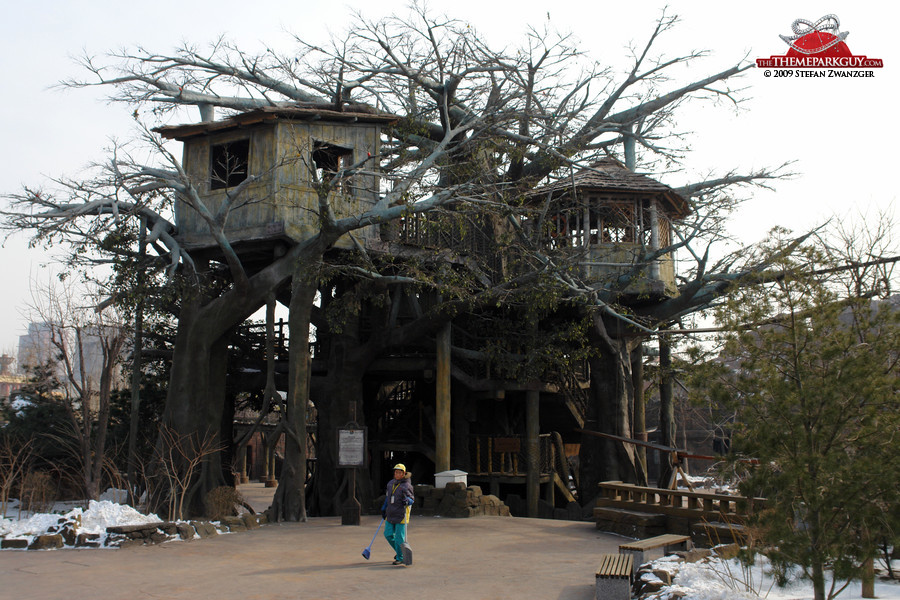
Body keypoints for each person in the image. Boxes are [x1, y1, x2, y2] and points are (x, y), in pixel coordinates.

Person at [381, 463, 414, 566]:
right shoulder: (390, 484)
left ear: (403, 473)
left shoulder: (406, 485)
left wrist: (407, 501)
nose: (397, 474)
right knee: (388, 534)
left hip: (401, 515)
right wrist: (384, 508)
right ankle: (400, 551)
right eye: (396, 472)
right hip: (390, 513)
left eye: (399, 472)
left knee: (399, 538)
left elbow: (412, 499)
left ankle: (400, 557)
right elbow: (388, 497)